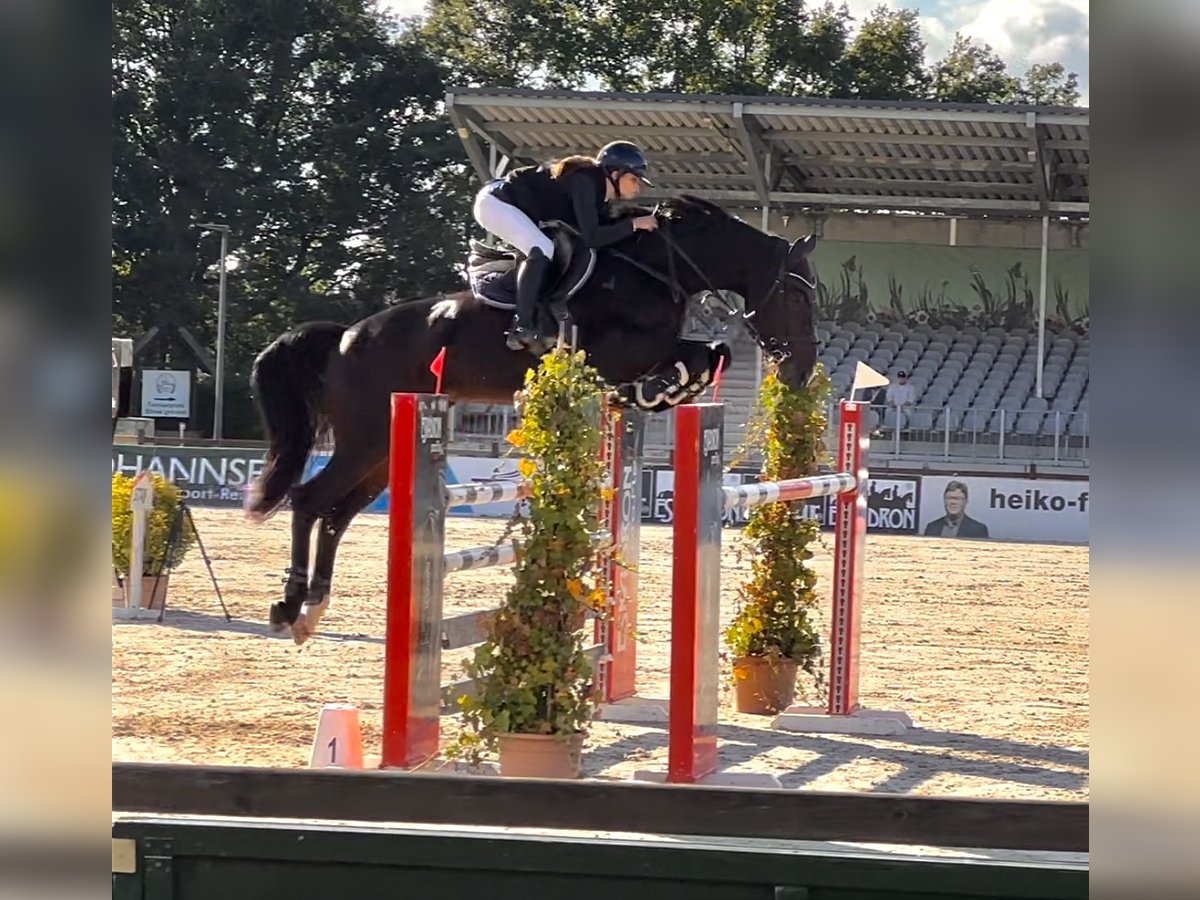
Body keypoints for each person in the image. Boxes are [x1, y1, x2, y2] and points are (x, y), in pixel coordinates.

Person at [472, 141, 659, 350]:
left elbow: (601, 236)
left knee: (549, 249)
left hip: (515, 208)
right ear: (615, 173)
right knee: (542, 249)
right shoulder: (586, 180)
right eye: (634, 179)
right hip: (496, 203)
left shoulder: (599, 195)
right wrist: (634, 224)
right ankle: (521, 325)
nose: (638, 187)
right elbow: (592, 238)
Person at [923, 480, 990, 538]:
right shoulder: (932, 527)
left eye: (958, 499)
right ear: (944, 500)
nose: (953, 502)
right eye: (949, 498)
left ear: (966, 502)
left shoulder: (978, 529)